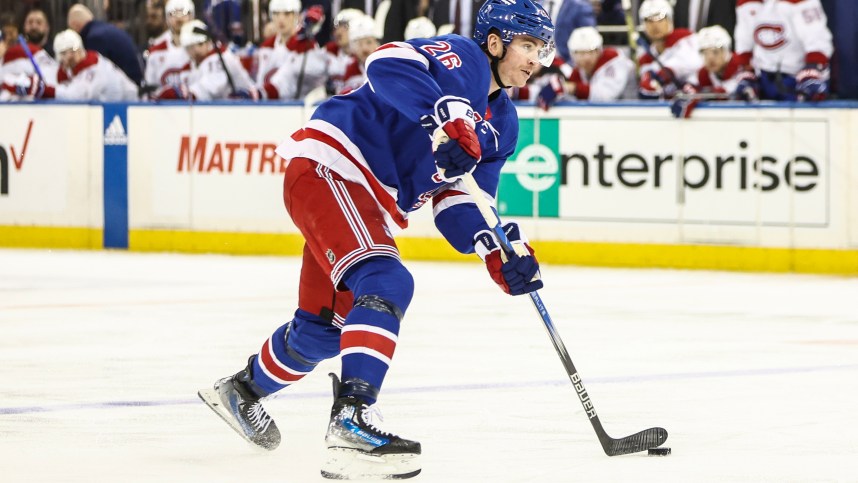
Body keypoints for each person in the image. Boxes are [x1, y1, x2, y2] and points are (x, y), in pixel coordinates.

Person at [197, 0, 551, 479]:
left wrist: (495, 248)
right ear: (494, 42)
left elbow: (457, 202)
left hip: (364, 199)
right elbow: (386, 62)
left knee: (323, 330)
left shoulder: (503, 125)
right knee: (386, 281)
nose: (535, 60)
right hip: (333, 167)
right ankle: (353, 418)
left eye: (540, 50)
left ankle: (242, 391)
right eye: (527, 45)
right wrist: (443, 115)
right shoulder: (464, 58)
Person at [734, 0, 833, 101]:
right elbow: (744, 41)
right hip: (763, 80)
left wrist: (813, 70)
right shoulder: (746, 3)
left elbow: (817, 39)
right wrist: (745, 71)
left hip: (796, 78)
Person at [1, 29, 138, 101]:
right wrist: (30, 84)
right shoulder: (73, 68)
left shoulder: (94, 67)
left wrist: (45, 90)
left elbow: (76, 96)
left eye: (72, 51)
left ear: (80, 48)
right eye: (63, 53)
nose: (69, 57)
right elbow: (53, 79)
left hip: (135, 108)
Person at [156, 20, 257, 100]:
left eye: (190, 47)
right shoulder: (199, 61)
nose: (189, 52)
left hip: (245, 109)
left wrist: (186, 93)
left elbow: (212, 88)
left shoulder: (219, 57)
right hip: (227, 110)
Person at [670, 24, 757, 117]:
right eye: (705, 53)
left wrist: (703, 94)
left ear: (726, 51)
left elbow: (738, 91)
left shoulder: (743, 66)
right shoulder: (704, 74)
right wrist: (686, 96)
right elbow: (690, 87)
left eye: (715, 52)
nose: (710, 58)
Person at [537, 26, 634, 108]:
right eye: (581, 53)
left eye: (591, 52)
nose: (587, 58)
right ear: (572, 55)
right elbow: (570, 95)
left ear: (599, 51)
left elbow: (606, 96)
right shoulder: (578, 71)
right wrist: (558, 90)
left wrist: (571, 88)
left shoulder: (613, 60)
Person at [258, 3, 329, 100]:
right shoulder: (266, 47)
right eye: (276, 14)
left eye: (287, 14)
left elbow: (317, 80)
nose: (281, 19)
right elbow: (260, 81)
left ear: (297, 16)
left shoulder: (307, 45)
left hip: (297, 107)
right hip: (268, 106)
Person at [636, 0, 701, 99]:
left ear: (670, 20)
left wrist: (666, 72)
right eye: (649, 20)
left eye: (660, 19)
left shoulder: (685, 38)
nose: (655, 25)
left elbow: (696, 62)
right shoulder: (645, 58)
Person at [67, 3, 144, 85]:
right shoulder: (105, 29)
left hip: (128, 87)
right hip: (135, 81)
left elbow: (95, 73)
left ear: (75, 25)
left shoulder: (94, 38)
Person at [144, 0, 193, 92]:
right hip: (164, 105)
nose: (179, 19)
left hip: (197, 105)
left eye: (184, 13)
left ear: (192, 16)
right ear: (166, 17)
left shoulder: (204, 46)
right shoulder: (156, 50)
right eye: (173, 13)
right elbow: (150, 88)